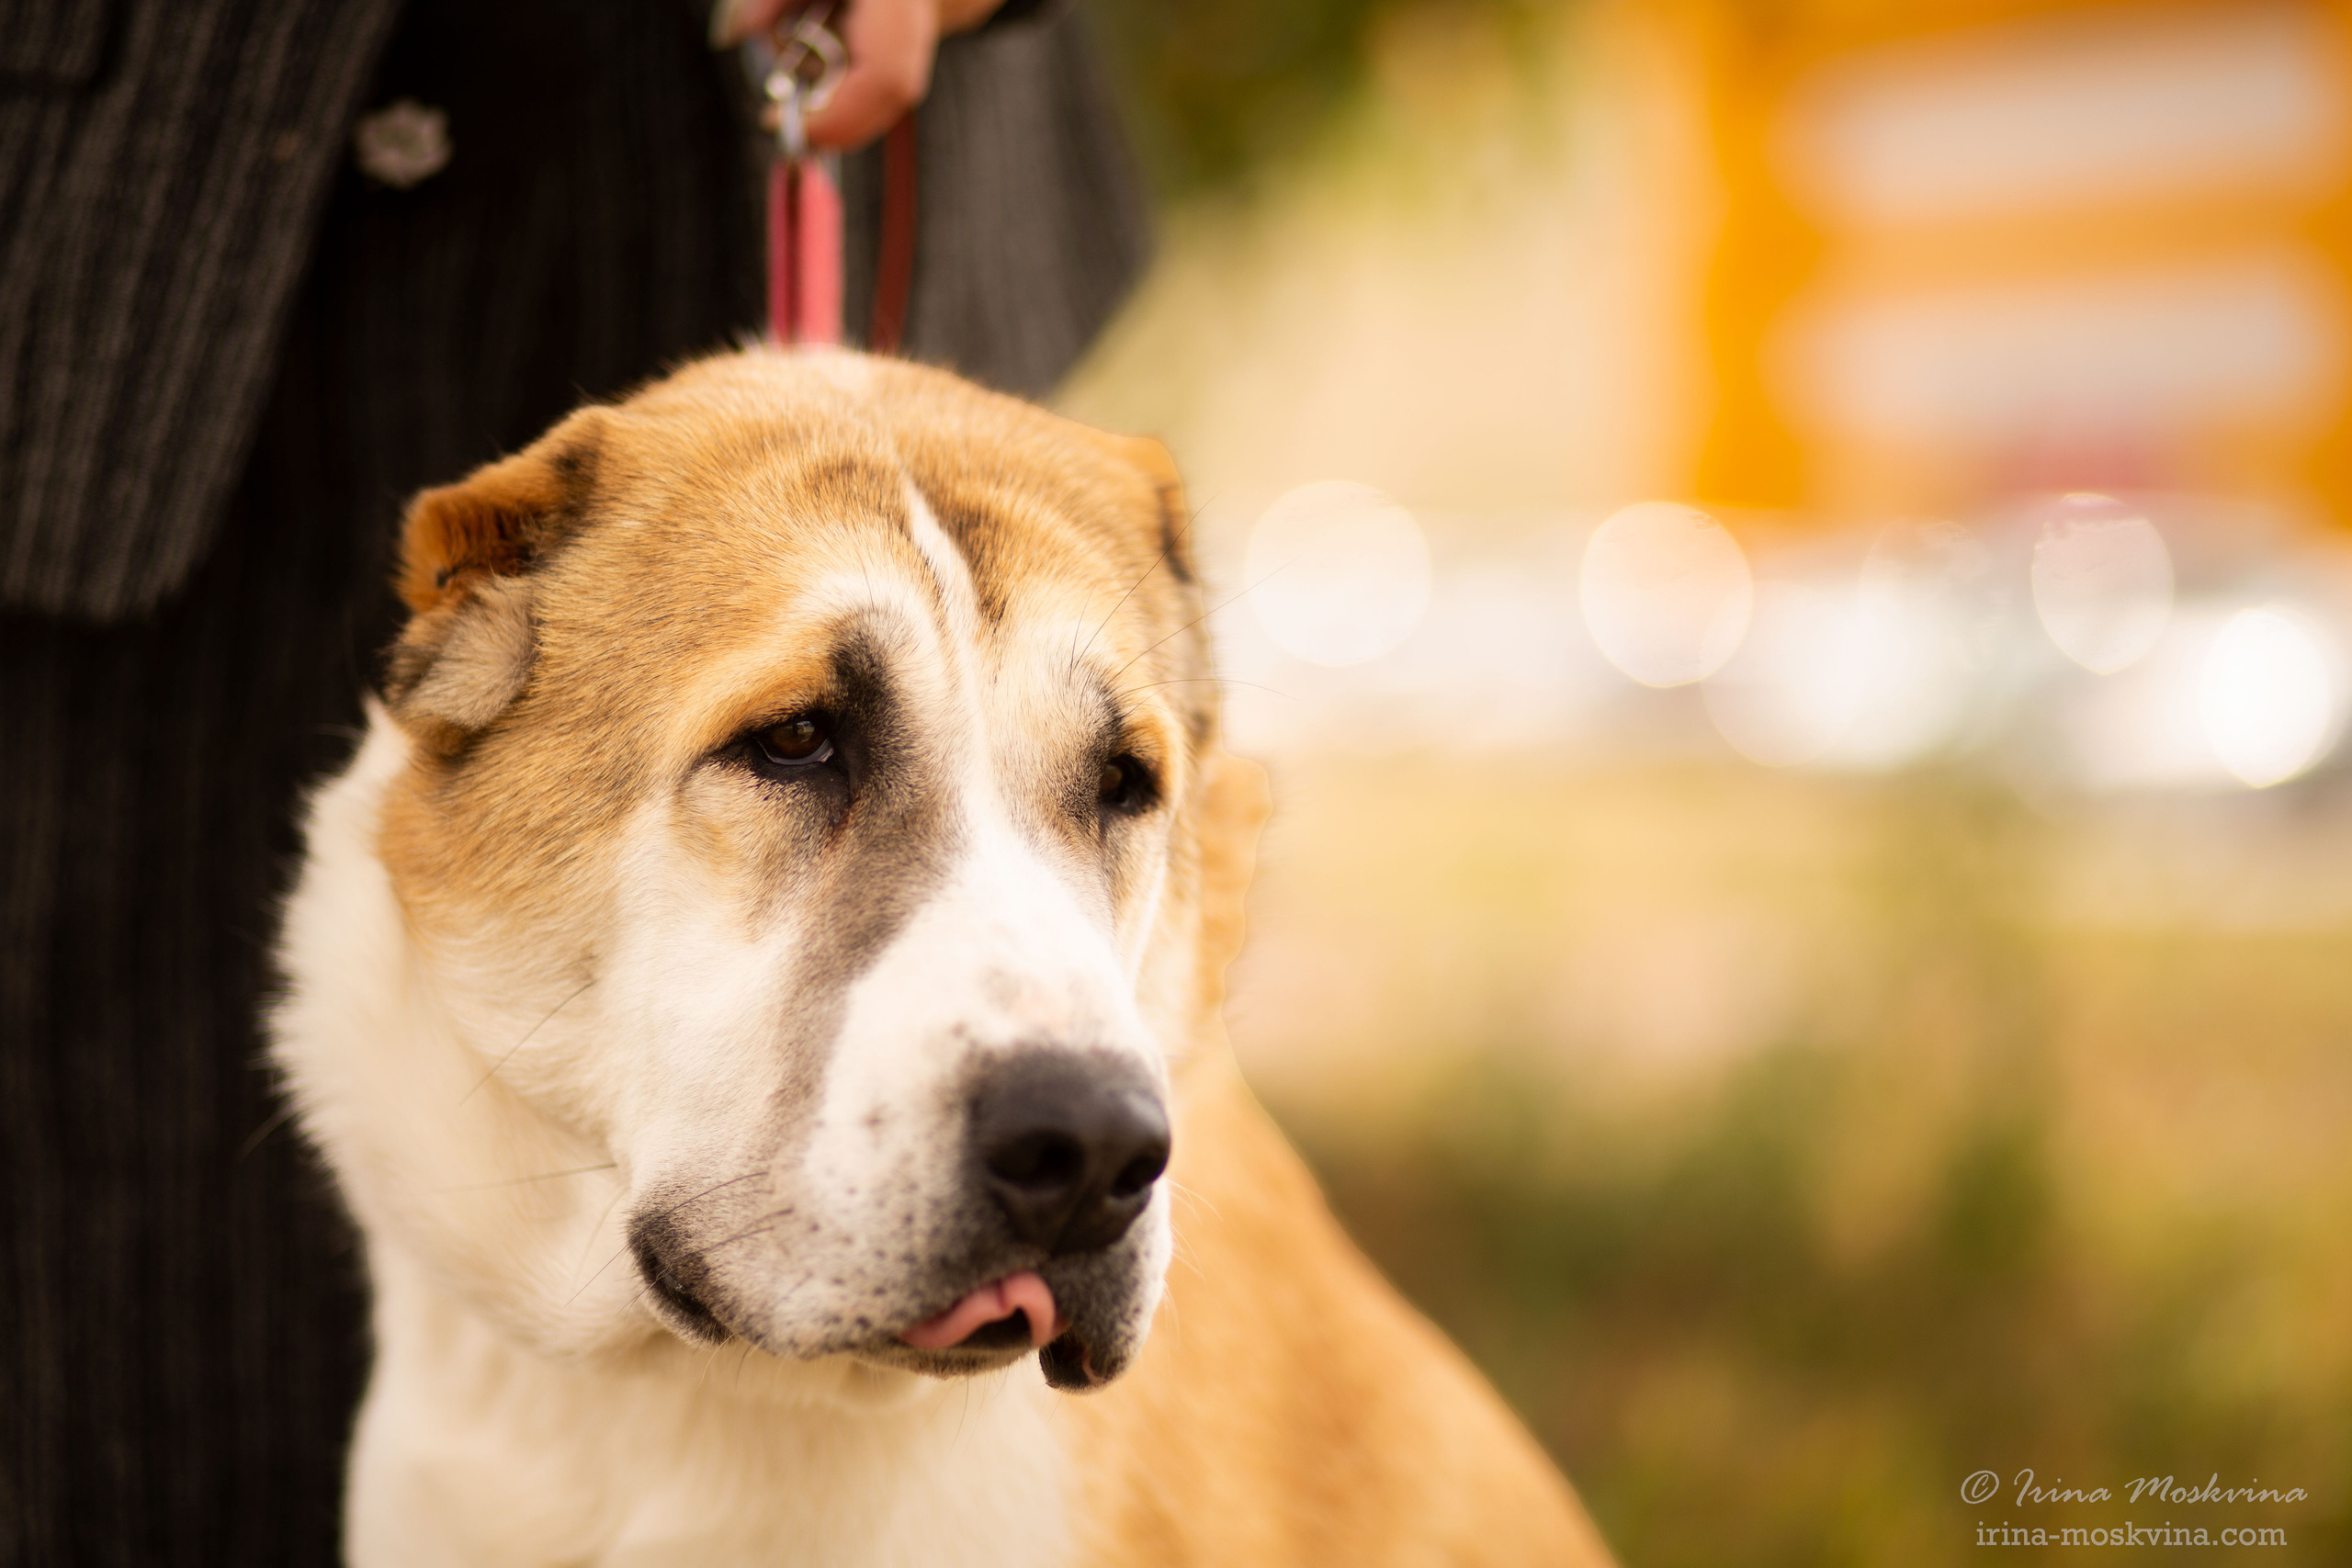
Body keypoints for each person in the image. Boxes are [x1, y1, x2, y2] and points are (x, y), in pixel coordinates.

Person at [0, 2, 1148, 1560]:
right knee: (129, 1389)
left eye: (1116, 785)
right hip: (148, 276)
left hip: (767, 124)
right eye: (796, 743)